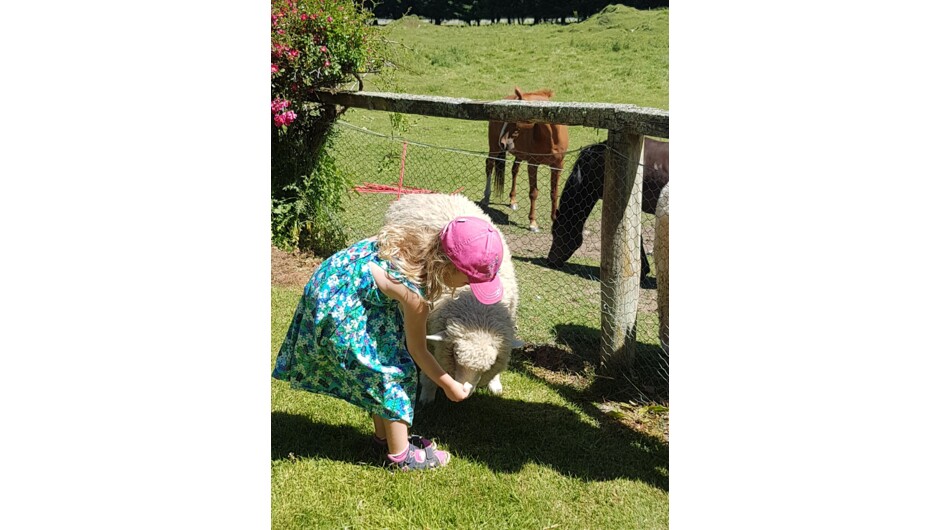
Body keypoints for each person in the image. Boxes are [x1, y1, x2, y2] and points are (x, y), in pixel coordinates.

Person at [272, 215, 506, 471]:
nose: (468, 287)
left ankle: (385, 439)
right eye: (469, 280)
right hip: (338, 308)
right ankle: (400, 456)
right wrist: (449, 385)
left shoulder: (415, 240)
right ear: (448, 268)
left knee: (386, 352)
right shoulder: (415, 295)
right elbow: (418, 351)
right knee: (396, 372)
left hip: (334, 283)